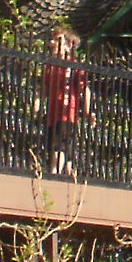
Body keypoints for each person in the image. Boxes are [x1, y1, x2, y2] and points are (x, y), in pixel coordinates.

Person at [41, 25, 88, 178]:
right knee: (56, 144)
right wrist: (37, 102)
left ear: (68, 46)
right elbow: (44, 88)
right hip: (53, 113)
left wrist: (87, 111)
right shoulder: (50, 66)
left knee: (59, 145)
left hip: (68, 111)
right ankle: (67, 171)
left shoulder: (72, 66)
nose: (53, 43)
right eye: (53, 40)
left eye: (58, 40)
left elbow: (84, 89)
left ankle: (54, 173)